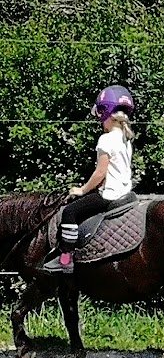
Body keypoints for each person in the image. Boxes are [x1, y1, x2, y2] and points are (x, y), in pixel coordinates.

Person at [43, 85, 136, 273]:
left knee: (70, 212)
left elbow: (100, 173)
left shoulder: (106, 139)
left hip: (110, 194)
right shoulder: (126, 139)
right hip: (125, 192)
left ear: (105, 112)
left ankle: (65, 259)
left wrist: (83, 190)